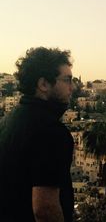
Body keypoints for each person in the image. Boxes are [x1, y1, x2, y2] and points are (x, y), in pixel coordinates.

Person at [0, 47, 74, 222]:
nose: (73, 87)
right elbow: (45, 209)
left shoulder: (8, 121)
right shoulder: (51, 132)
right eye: (67, 80)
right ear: (43, 84)